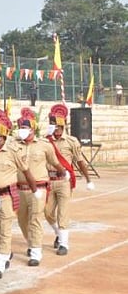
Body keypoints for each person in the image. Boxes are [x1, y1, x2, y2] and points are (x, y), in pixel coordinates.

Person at [0, 109, 36, 279]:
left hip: (6, 196)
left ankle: (0, 261)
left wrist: (35, 190)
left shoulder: (13, 151)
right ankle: (4, 250)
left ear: (2, 135)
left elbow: (26, 172)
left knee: (5, 228)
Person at [14, 108, 64, 266]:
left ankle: (36, 251)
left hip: (39, 189)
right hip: (20, 189)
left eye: (25, 128)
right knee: (22, 220)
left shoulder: (44, 145)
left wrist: (65, 174)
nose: (22, 131)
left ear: (32, 129)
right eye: (20, 127)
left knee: (35, 219)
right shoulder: (14, 145)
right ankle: (31, 242)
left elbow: (55, 162)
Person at [45, 104, 94, 255]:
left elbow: (80, 162)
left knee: (63, 213)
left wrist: (88, 179)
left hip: (64, 181)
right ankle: (58, 235)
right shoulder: (45, 141)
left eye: (58, 125)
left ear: (63, 125)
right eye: (53, 125)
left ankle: (64, 244)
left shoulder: (71, 141)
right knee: (47, 212)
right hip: (49, 181)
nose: (56, 128)